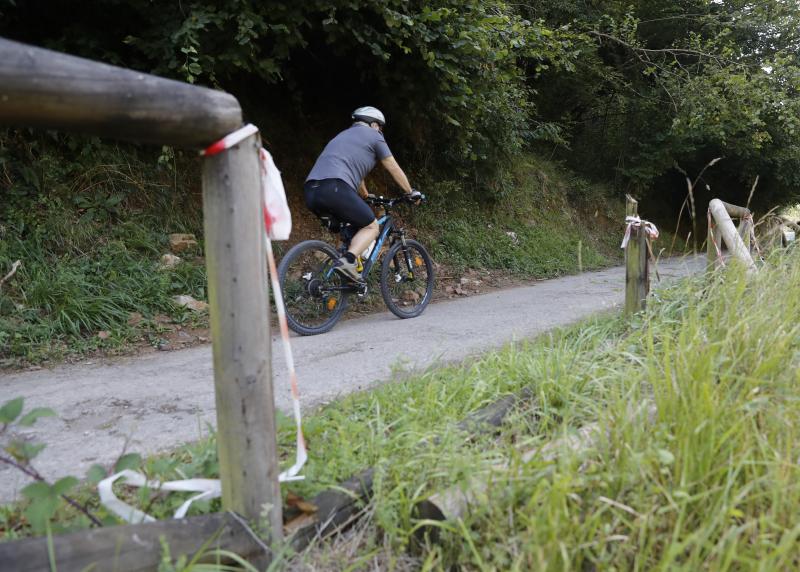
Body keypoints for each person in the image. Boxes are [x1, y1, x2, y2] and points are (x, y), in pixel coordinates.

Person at [304, 106, 420, 281]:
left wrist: (366, 195)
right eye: (380, 127)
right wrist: (410, 192)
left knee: (349, 229)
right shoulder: (374, 136)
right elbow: (392, 165)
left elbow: (355, 174)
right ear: (373, 124)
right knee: (371, 226)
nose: (381, 131)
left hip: (312, 192)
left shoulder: (342, 136)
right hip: (335, 187)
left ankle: (334, 279)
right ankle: (348, 262)